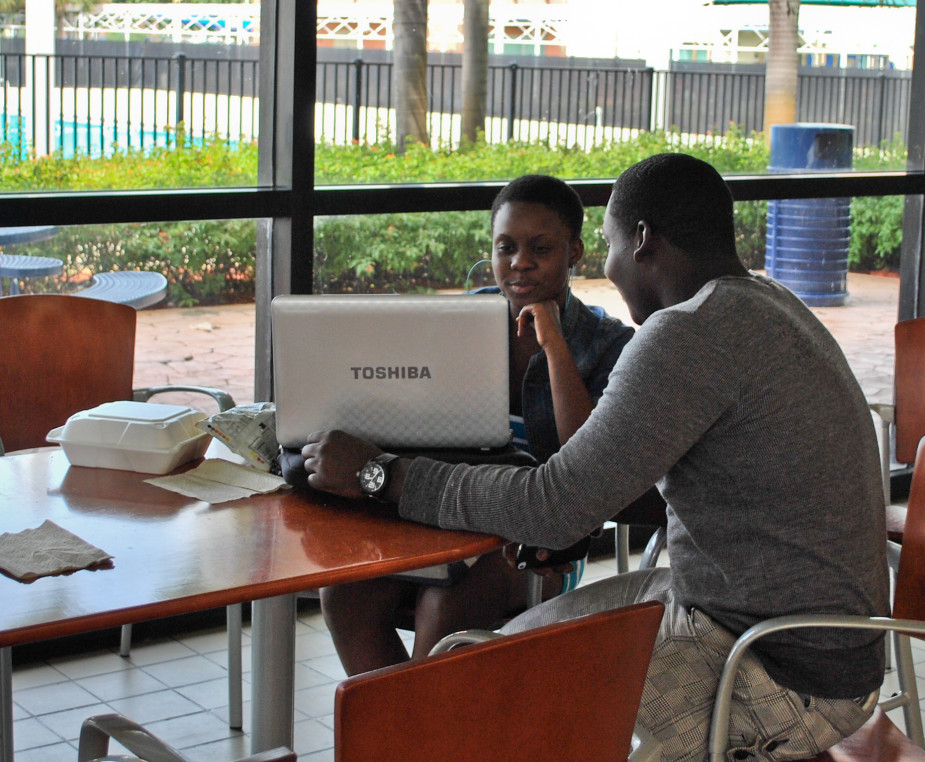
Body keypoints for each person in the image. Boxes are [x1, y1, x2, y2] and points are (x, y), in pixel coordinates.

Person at [303, 153, 889, 761]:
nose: (609, 269)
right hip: (804, 642)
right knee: (466, 657)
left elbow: (555, 507)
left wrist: (381, 474)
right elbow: (631, 492)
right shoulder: (773, 305)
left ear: (640, 241)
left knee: (464, 679)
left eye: (607, 245)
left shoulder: (687, 334)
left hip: (774, 672)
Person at [318, 174, 635, 676]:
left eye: (541, 248)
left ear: (574, 252)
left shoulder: (608, 344)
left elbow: (583, 470)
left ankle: (418, 735)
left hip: (537, 544)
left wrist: (554, 344)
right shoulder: (459, 322)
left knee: (444, 610)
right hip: (438, 517)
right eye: (505, 247)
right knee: (344, 593)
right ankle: (399, 734)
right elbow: (412, 425)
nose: (520, 262)